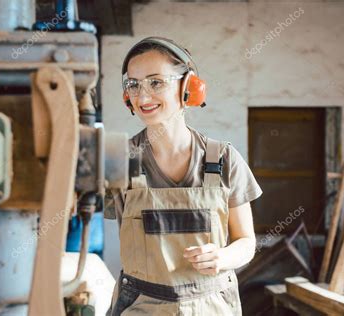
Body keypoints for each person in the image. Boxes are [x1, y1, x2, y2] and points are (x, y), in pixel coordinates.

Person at [104, 37, 263, 315]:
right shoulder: (120, 161)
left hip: (212, 305)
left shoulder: (224, 160)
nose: (142, 96)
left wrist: (223, 257)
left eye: (156, 82)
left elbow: (247, 242)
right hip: (142, 306)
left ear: (189, 88)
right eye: (133, 84)